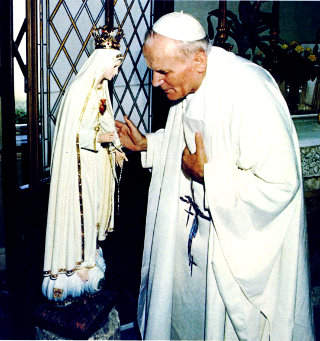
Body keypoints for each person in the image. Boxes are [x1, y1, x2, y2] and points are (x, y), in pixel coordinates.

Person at [115, 12, 314, 341]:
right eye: (153, 70)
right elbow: (186, 139)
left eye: (163, 72)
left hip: (231, 253)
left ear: (199, 60)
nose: (155, 82)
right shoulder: (192, 83)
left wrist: (209, 174)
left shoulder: (251, 92)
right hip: (193, 246)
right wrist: (148, 143)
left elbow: (281, 186)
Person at [42, 25, 127, 302]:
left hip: (96, 164)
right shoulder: (81, 89)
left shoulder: (101, 89)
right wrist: (98, 137)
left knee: (93, 214)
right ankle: (76, 267)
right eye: (115, 64)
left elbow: (105, 121)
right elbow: (72, 134)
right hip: (77, 168)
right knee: (82, 212)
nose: (116, 71)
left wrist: (114, 147)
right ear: (102, 62)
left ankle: (89, 259)